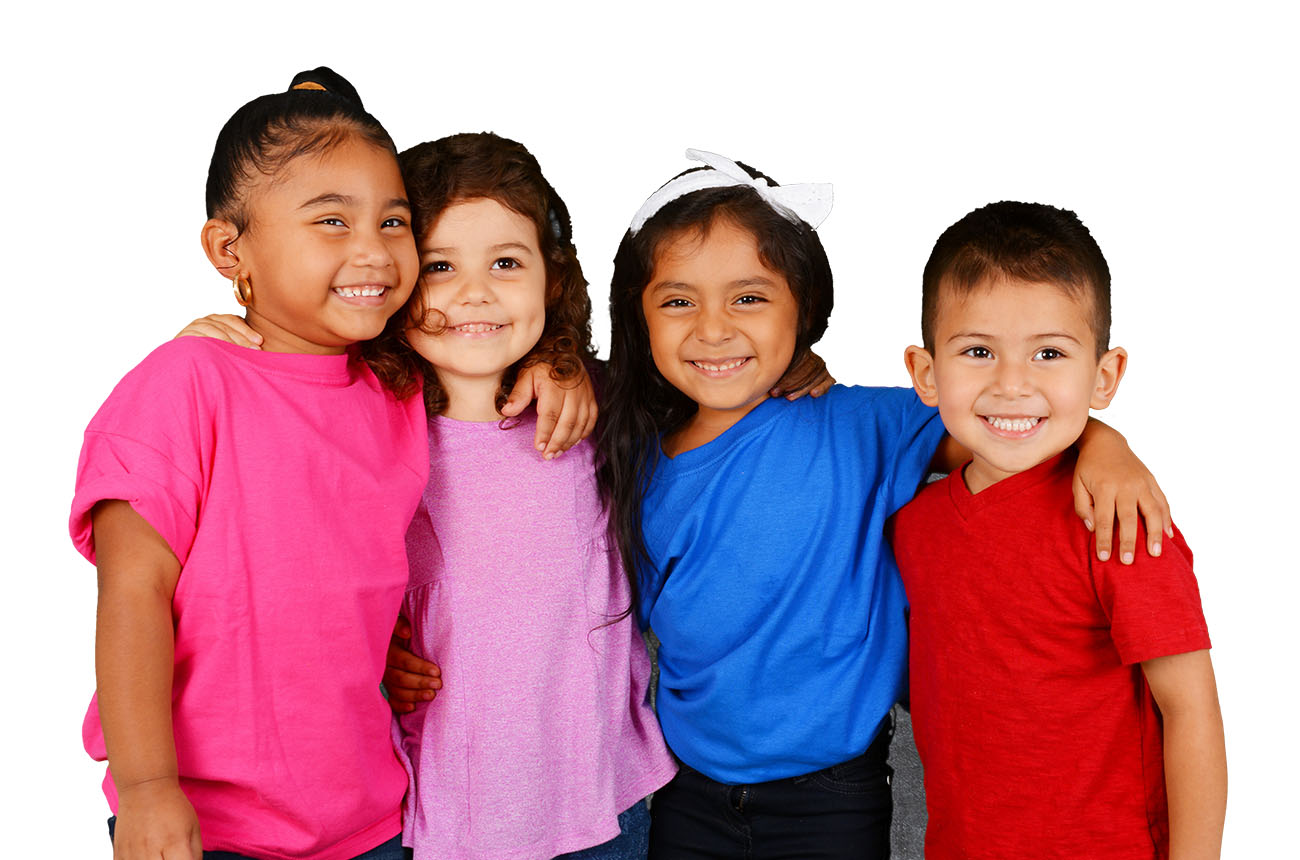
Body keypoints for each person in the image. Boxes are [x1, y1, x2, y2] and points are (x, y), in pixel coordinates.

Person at [595, 150, 1174, 859]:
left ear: (803, 307)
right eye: (678, 300)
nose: (714, 329)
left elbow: (1003, 422)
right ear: (638, 313)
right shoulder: (630, 455)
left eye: (749, 298)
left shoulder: (865, 428)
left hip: (833, 797)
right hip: (687, 792)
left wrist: (1107, 443)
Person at [363, 132, 678, 859]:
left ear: (552, 281)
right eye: (440, 266)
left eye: (506, 262)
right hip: (450, 807)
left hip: (606, 794)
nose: (475, 291)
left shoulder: (596, 399)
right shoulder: (367, 420)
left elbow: (718, 374)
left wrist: (563, 357)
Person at [890, 201, 1226, 859]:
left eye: (1048, 352)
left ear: (1104, 376)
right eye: (978, 351)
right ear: (927, 374)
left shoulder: (1122, 522)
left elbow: (1190, 711)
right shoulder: (915, 523)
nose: (1012, 384)